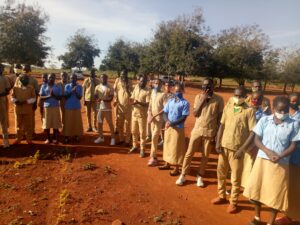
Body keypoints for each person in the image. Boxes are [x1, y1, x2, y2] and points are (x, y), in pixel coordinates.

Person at [244, 96, 300, 225]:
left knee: (276, 195)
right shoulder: (264, 120)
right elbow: (256, 139)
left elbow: (293, 145)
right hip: (263, 160)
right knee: (257, 190)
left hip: (281, 164)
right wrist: (268, 152)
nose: (282, 113)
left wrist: (280, 156)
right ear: (273, 108)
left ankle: (270, 222)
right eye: (279, 110)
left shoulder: (294, 124)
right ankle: (257, 218)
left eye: (285, 110)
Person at [211, 87, 256, 214]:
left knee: (235, 178)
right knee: (221, 173)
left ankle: (233, 202)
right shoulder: (229, 106)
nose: (237, 97)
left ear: (246, 96)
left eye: (240, 95)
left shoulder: (249, 111)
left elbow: (253, 132)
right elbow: (222, 125)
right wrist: (218, 142)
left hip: (237, 150)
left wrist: (242, 149)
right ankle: (221, 195)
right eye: (236, 95)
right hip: (224, 147)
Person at [176, 78, 224, 187]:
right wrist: (203, 99)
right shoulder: (198, 97)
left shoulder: (219, 99)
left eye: (208, 85)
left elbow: (220, 119)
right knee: (189, 153)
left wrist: (217, 134)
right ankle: (183, 175)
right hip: (197, 130)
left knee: (205, 156)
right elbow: (195, 114)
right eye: (203, 86)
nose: (205, 87)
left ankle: (200, 176)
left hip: (210, 132)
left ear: (213, 86)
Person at [274, 93, 300, 225]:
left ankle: (290, 216)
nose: (293, 103)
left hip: (296, 159)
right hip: (285, 158)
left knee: (294, 188)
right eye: (291, 100)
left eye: (296, 101)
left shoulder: (298, 118)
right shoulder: (285, 115)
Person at [159, 82, 190, 176]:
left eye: (179, 91)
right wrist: (167, 121)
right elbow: (164, 112)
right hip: (169, 127)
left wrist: (172, 123)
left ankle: (176, 168)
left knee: (176, 148)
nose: (177, 92)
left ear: (183, 91)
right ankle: (167, 163)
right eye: (176, 91)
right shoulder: (170, 101)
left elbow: (184, 118)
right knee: (167, 145)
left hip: (177, 129)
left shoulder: (185, 103)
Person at [147, 78, 170, 166]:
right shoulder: (153, 92)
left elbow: (164, 109)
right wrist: (149, 115)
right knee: (154, 137)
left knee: (154, 137)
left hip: (159, 120)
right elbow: (150, 104)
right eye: (155, 83)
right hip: (152, 119)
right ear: (153, 84)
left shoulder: (163, 95)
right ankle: (154, 155)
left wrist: (154, 116)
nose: (157, 85)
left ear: (161, 85)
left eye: (159, 83)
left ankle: (153, 157)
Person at [128, 74, 151, 157]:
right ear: (139, 81)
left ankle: (142, 149)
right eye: (141, 81)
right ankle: (134, 146)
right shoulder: (136, 87)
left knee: (142, 133)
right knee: (134, 131)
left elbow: (148, 104)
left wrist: (138, 102)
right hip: (134, 113)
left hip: (142, 115)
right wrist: (131, 101)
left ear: (146, 82)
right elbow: (132, 97)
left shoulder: (148, 90)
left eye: (144, 81)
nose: (142, 82)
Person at [11, 74, 36, 144]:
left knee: (28, 125)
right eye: (25, 79)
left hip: (28, 109)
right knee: (18, 125)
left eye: (27, 79)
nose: (27, 80)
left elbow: (34, 98)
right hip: (18, 109)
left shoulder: (31, 88)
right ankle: (18, 139)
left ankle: (29, 139)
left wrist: (26, 101)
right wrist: (16, 101)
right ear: (20, 80)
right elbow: (12, 97)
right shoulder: (15, 88)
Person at [39, 73, 62, 144]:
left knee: (55, 124)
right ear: (48, 78)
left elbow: (60, 97)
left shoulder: (58, 87)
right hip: (47, 107)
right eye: (50, 77)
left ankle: (55, 138)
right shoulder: (43, 86)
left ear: (55, 79)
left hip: (55, 106)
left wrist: (54, 96)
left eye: (52, 77)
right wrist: (49, 96)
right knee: (47, 124)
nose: (51, 79)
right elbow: (41, 97)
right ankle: (48, 138)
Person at [94, 74, 116, 145]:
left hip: (107, 108)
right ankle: (101, 137)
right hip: (99, 108)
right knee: (99, 123)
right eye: (102, 78)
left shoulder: (110, 87)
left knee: (110, 123)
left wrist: (102, 99)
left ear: (107, 78)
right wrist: (97, 99)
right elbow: (95, 96)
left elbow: (111, 98)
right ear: (100, 79)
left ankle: (113, 138)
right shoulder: (97, 87)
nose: (103, 79)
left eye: (104, 78)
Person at [113, 69, 133, 146]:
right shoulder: (117, 80)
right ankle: (121, 139)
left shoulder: (130, 82)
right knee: (120, 125)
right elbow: (115, 91)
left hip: (128, 107)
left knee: (127, 125)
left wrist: (127, 89)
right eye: (121, 74)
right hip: (120, 107)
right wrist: (115, 99)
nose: (122, 76)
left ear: (126, 75)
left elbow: (132, 95)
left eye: (124, 74)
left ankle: (127, 141)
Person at [62, 74, 83, 143]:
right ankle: (67, 136)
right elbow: (66, 97)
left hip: (76, 106)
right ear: (69, 79)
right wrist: (71, 91)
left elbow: (79, 97)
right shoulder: (67, 86)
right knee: (68, 122)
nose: (73, 80)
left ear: (76, 79)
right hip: (68, 106)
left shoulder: (80, 87)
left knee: (76, 122)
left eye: (74, 78)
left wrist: (75, 91)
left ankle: (76, 135)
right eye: (71, 78)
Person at [0, 64, 11, 148]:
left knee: (3, 121)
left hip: (2, 101)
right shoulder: (4, 78)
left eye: (2, 68)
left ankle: (6, 141)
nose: (2, 69)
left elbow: (8, 90)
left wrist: (2, 94)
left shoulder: (4, 78)